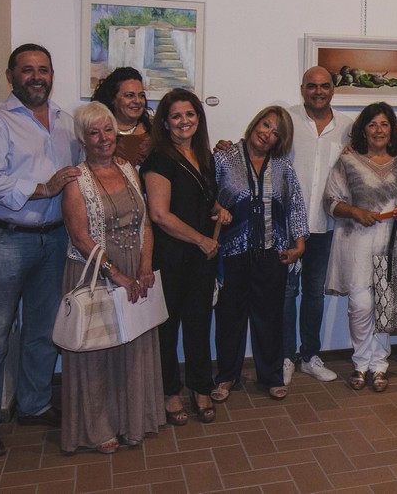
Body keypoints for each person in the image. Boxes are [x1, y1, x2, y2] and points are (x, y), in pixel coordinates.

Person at [0, 43, 81, 458]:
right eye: (27, 69)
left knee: (43, 330)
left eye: (44, 70)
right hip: (2, 238)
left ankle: (33, 405)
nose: (37, 77)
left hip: (54, 239)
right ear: (10, 75)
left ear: (52, 75)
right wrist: (41, 188)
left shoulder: (67, 123)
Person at [59, 102, 163, 454]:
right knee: (97, 352)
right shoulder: (76, 178)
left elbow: (146, 222)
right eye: (94, 132)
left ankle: (132, 421)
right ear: (83, 139)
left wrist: (145, 266)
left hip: (135, 270)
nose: (103, 138)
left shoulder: (129, 168)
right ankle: (97, 427)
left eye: (108, 129)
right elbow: (79, 236)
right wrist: (115, 273)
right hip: (93, 270)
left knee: (132, 347)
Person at [141, 89, 231, 426]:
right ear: (165, 122)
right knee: (167, 327)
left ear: (198, 118)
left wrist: (218, 209)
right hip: (171, 254)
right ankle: (170, 392)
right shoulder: (158, 160)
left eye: (190, 115)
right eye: (176, 116)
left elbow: (202, 201)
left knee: (198, 323)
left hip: (199, 257)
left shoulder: (202, 155)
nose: (184, 121)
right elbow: (160, 215)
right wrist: (201, 240)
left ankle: (200, 387)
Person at [212, 106, 308, 402]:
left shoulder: (283, 167)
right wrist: (216, 209)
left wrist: (299, 245)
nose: (267, 134)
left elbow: (295, 207)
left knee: (269, 318)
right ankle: (227, 376)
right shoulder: (224, 158)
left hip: (271, 251)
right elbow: (206, 197)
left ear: (280, 140)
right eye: (265, 125)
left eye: (275, 132)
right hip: (231, 251)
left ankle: (271, 376)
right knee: (230, 318)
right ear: (255, 123)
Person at [323, 102, 397, 392]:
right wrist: (355, 212)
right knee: (361, 305)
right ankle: (360, 362)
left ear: (392, 129)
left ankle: (378, 366)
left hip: (393, 243)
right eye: (372, 124)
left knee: (384, 305)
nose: (379, 130)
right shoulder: (348, 161)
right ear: (363, 130)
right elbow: (330, 201)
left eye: (384, 124)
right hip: (356, 244)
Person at [286, 67, 351, 385]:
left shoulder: (347, 128)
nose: (318, 91)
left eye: (324, 86)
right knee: (286, 293)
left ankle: (310, 355)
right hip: (289, 225)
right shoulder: (287, 121)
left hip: (325, 227)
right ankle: (285, 356)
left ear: (333, 89)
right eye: (312, 86)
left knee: (314, 293)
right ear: (302, 88)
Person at [91, 66, 152, 167]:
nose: (137, 101)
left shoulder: (155, 133)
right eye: (129, 95)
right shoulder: (98, 135)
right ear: (112, 98)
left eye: (141, 95)